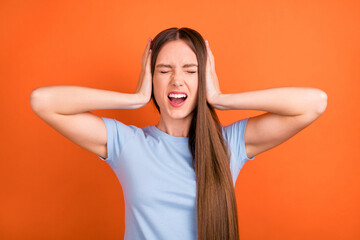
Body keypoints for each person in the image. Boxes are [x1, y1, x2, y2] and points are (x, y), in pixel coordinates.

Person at [30, 27, 327, 240]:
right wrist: (133, 98)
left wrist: (222, 99)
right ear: (151, 79)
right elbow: (43, 101)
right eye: (164, 70)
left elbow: (315, 103)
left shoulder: (229, 145)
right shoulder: (127, 144)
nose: (177, 80)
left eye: (190, 70)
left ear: (204, 79)